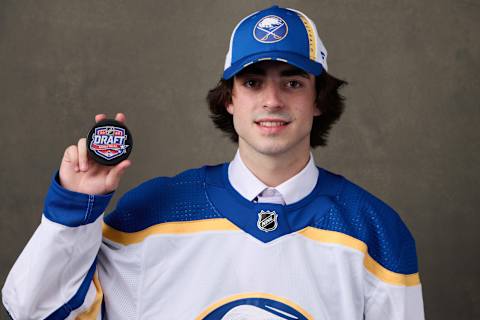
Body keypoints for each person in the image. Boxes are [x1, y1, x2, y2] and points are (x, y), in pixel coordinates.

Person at [2, 5, 425, 320]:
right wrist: (74, 211)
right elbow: (35, 309)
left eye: (293, 82)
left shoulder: (375, 230)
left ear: (318, 101)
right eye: (253, 82)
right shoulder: (154, 214)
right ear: (229, 99)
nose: (272, 100)